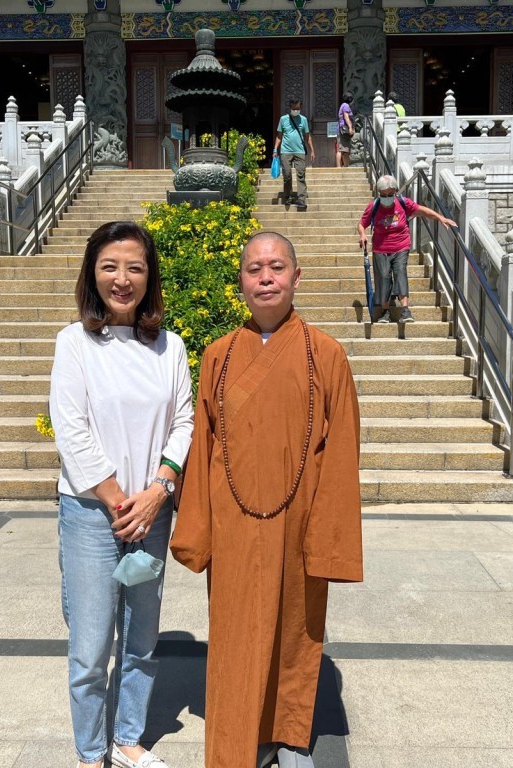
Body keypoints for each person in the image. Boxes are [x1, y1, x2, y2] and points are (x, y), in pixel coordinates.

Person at [170, 231, 363, 768]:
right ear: (241, 282)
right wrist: (199, 528)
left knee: (295, 628)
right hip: (233, 521)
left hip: (299, 519)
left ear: (296, 278)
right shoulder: (218, 356)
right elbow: (203, 444)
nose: (265, 277)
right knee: (234, 635)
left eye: (276, 267)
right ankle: (237, 739)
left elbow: (342, 448)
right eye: (254, 269)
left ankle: (288, 735)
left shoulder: (326, 354)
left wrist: (329, 537)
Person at [50, 220, 194, 768]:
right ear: (93, 272)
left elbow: (183, 421)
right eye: (110, 266)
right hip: (92, 515)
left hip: (151, 514)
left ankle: (128, 738)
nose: (122, 278)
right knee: (90, 649)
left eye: (135, 267)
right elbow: (72, 429)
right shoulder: (75, 343)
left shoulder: (170, 347)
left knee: (142, 640)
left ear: (149, 276)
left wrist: (158, 490)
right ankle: (90, 753)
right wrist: (118, 501)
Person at [358, 174, 457, 324]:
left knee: (400, 273)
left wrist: (440, 218)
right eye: (383, 195)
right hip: (380, 248)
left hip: (401, 246)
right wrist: (362, 234)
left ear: (396, 192)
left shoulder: (403, 203)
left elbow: (422, 210)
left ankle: (405, 310)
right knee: (383, 277)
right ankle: (385, 312)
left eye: (390, 194)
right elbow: (361, 224)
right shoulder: (374, 206)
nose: (387, 197)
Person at [272, 97, 316, 211]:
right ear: (290, 107)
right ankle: (288, 196)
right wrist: (275, 150)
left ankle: (301, 199)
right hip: (285, 151)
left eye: (298, 108)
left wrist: (312, 150)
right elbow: (279, 136)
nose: (296, 110)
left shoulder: (304, 120)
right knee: (287, 175)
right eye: (294, 108)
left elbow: (307, 136)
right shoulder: (283, 119)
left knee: (301, 175)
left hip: (300, 151)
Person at [335, 92, 355, 168]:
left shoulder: (344, 105)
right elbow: (346, 117)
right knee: (340, 149)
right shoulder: (346, 106)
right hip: (343, 130)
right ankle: (338, 167)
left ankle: (346, 166)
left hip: (344, 130)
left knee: (346, 150)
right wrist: (350, 127)